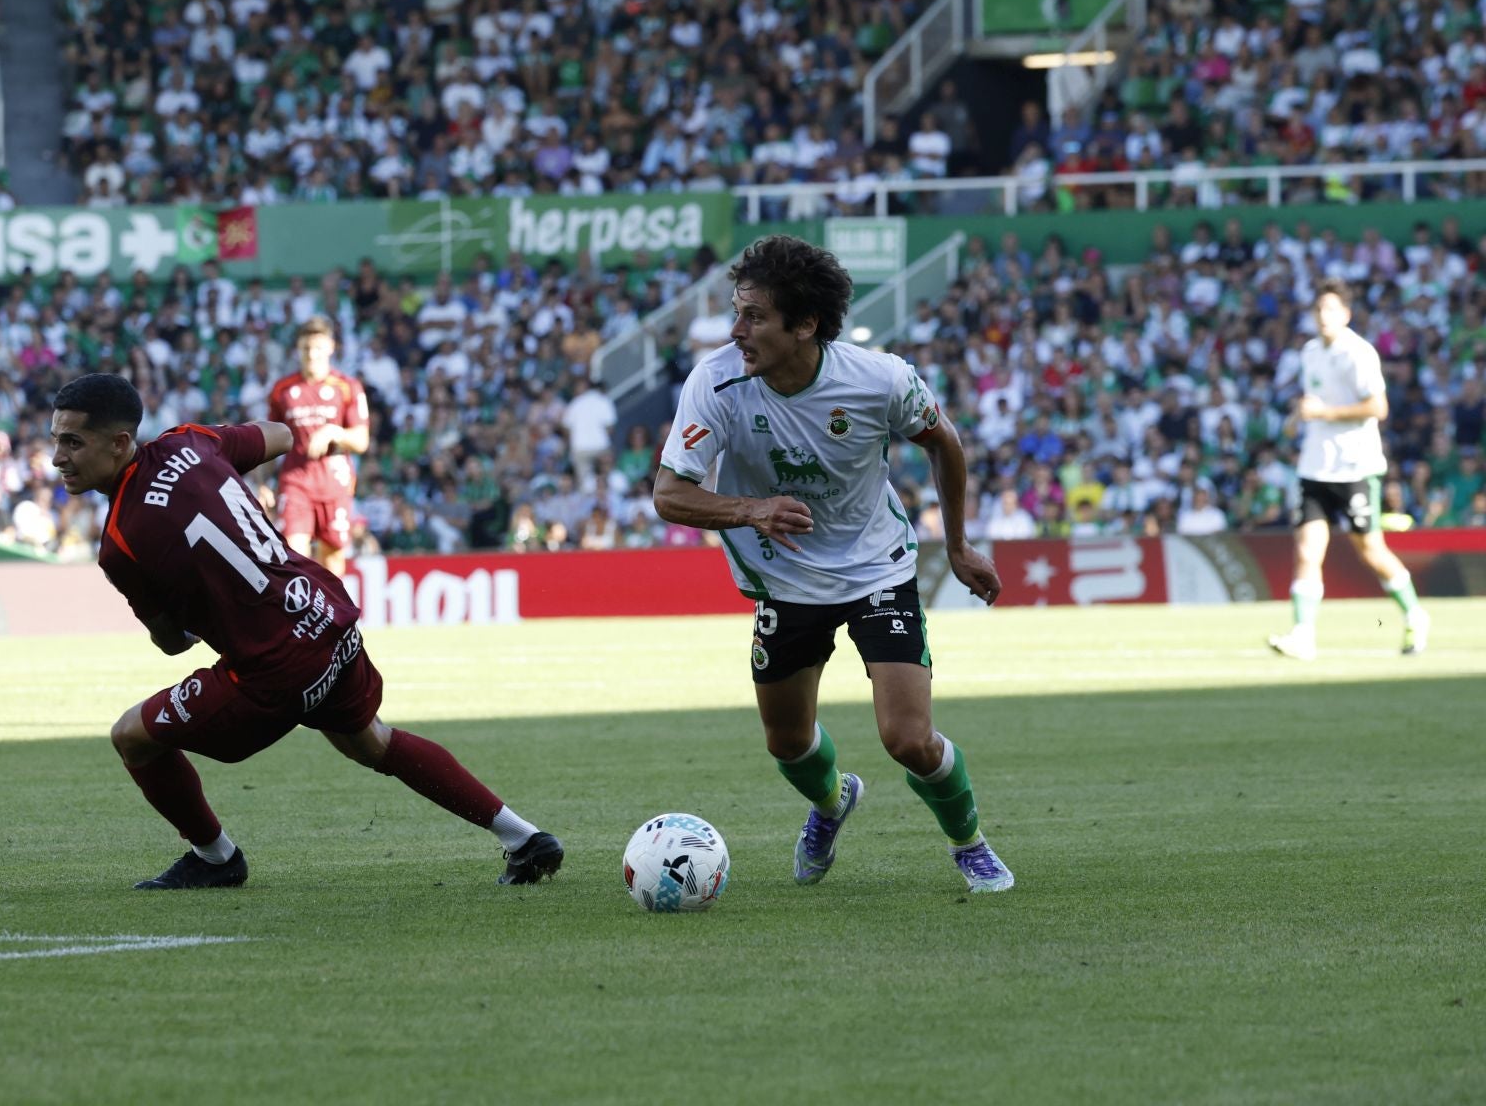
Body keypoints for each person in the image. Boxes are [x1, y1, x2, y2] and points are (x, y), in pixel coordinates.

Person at [50, 374, 563, 889]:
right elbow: (280, 435)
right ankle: (524, 837)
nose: (57, 458)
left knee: (132, 737)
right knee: (372, 741)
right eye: (56, 441)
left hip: (273, 670)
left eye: (72, 442)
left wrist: (193, 625)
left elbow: (169, 643)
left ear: (119, 443)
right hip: (324, 616)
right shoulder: (191, 440)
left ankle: (215, 858)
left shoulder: (120, 542)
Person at [651, 235, 1013, 894]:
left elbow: (945, 443)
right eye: (737, 313)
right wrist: (752, 510)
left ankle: (970, 844)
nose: (736, 331)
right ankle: (831, 802)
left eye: (754, 316)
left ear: (805, 325)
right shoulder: (717, 382)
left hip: (877, 569)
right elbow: (669, 494)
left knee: (908, 739)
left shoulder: (880, 379)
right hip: (783, 581)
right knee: (787, 743)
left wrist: (958, 546)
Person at [1268, 279, 1430, 660]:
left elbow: (1378, 407)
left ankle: (1415, 614)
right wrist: (1298, 417)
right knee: (1307, 550)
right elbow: (1313, 401)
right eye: (1318, 309)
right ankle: (1303, 635)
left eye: (1330, 309)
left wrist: (1324, 413)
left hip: (1355, 466)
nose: (1323, 316)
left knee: (1370, 550)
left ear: (1346, 314)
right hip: (1315, 467)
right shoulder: (1310, 352)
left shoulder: (1359, 353)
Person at [266, 316, 368, 575]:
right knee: (294, 554)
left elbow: (361, 440)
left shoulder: (347, 387)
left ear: (331, 347)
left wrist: (334, 432)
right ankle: (303, 602)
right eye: (306, 348)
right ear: (298, 348)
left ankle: (330, 603)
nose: (312, 354)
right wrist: (262, 481)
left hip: (334, 483)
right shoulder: (282, 390)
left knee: (333, 562)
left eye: (318, 348)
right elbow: (269, 439)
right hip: (296, 481)